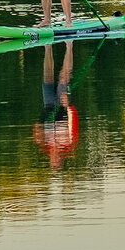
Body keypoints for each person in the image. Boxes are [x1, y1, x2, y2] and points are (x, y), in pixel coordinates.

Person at [32, 40, 78, 168]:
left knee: (47, 77)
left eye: (53, 159)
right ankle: (69, 46)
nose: (54, 156)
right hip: (63, 105)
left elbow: (37, 127)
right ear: (61, 158)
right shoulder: (69, 142)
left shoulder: (45, 145)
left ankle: (47, 47)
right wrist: (68, 104)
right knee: (64, 76)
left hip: (48, 105)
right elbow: (73, 122)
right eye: (56, 159)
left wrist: (37, 129)